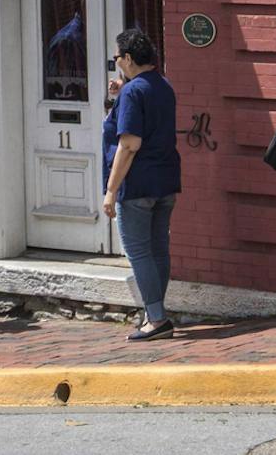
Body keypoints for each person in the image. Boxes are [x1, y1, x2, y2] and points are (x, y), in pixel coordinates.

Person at [101, 27, 181, 339]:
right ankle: (155, 312)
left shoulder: (134, 92)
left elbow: (129, 144)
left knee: (138, 251)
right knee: (159, 248)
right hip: (165, 179)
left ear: (129, 58)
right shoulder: (162, 85)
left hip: (137, 184)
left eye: (117, 57)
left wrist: (110, 190)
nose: (117, 61)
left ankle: (157, 319)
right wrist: (124, 89)